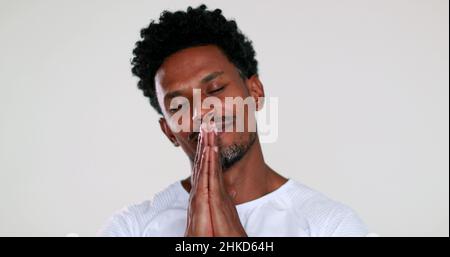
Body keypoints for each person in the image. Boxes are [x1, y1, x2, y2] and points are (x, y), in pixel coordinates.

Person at [99, 4, 368, 237]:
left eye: (215, 89)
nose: (202, 112)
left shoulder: (330, 225)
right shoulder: (131, 227)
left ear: (255, 92)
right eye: (179, 105)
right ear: (168, 130)